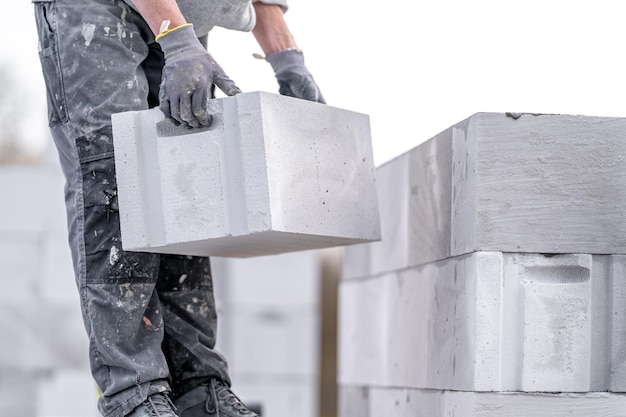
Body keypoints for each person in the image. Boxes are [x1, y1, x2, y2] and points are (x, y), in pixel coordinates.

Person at [32, 0, 324, 416]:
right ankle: (134, 393)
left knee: (182, 183)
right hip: (98, 10)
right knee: (116, 175)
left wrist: (288, 60)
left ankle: (197, 389)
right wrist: (179, 39)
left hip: (180, 17)